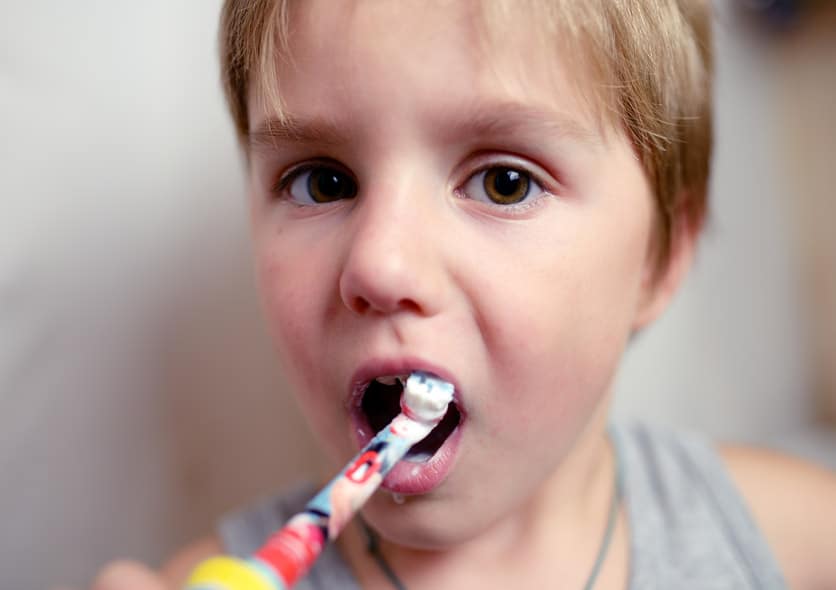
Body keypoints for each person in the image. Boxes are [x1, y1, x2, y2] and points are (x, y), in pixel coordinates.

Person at [91, 1, 836, 588]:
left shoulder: (792, 543)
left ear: (658, 260)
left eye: (504, 182)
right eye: (324, 181)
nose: (379, 266)